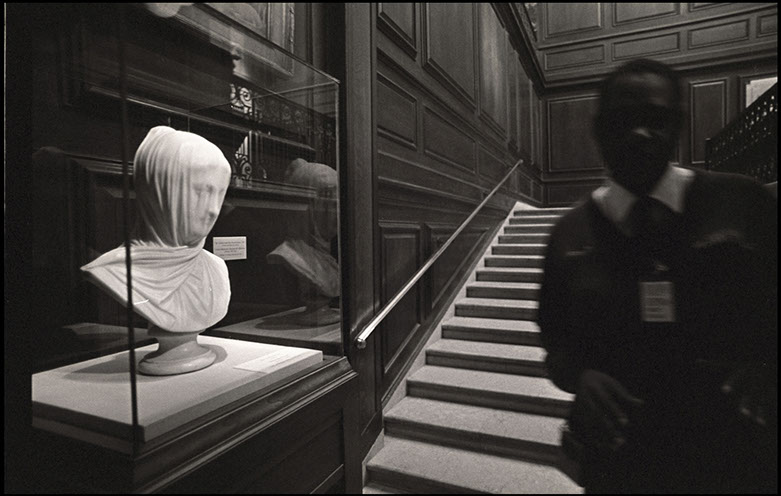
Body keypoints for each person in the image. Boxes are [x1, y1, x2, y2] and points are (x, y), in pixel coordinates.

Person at [537, 59, 777, 493]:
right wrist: (580, 375)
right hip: (622, 464)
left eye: (655, 120)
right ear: (598, 132)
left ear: (679, 125)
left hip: (738, 455)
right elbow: (557, 344)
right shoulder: (568, 235)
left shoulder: (744, 203)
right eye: (621, 122)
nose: (639, 134)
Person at [81, 126, 232, 374]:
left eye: (220, 193)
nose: (214, 209)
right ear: (159, 191)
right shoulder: (114, 271)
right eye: (201, 191)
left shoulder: (216, 268)